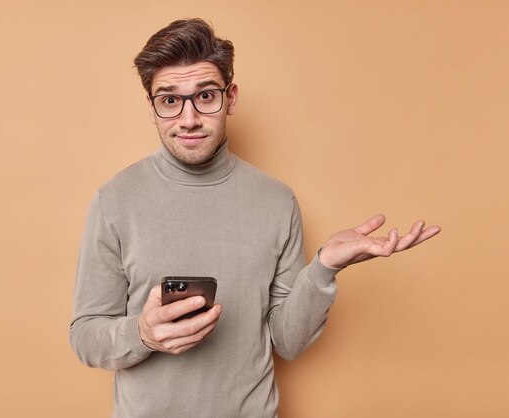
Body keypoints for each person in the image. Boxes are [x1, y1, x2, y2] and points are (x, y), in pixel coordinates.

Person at [69, 18, 440, 418]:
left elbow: (287, 342)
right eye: (170, 100)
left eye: (205, 96)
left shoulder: (277, 201)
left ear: (231, 98)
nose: (189, 118)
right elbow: (85, 336)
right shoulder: (115, 200)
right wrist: (141, 333)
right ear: (152, 107)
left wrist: (323, 269)